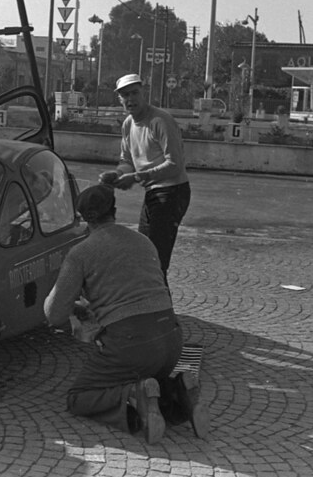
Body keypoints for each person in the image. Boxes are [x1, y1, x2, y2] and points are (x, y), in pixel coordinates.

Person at [43, 184, 210, 444]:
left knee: (79, 397)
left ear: (84, 218)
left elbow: (54, 315)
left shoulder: (81, 253)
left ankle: (135, 393)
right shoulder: (143, 241)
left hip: (131, 343)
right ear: (115, 211)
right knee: (147, 370)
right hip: (172, 339)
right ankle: (178, 389)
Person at [98, 74, 190, 286]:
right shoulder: (129, 124)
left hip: (172, 191)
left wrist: (138, 176)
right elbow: (127, 160)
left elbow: (175, 164)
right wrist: (118, 174)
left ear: (143, 92)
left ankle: (162, 313)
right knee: (145, 254)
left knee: (155, 259)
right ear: (119, 99)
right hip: (153, 193)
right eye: (124, 95)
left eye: (134, 93)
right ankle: (154, 309)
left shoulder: (160, 120)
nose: (130, 99)